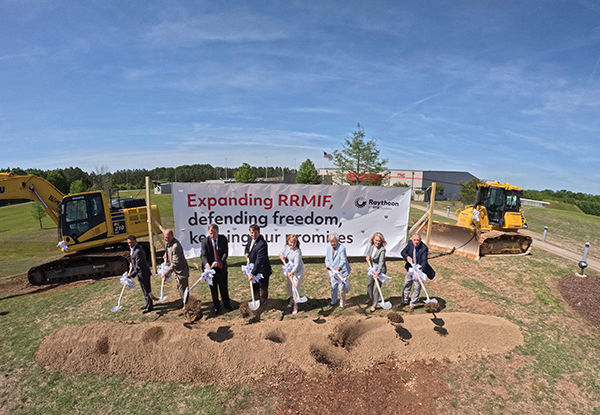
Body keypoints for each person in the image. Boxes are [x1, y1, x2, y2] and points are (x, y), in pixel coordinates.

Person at [201, 223, 232, 314]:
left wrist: (219, 262)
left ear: (217, 232)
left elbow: (225, 253)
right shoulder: (205, 241)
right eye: (210, 233)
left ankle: (226, 303)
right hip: (210, 270)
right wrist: (206, 264)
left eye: (214, 233)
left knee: (224, 286)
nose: (212, 235)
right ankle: (216, 305)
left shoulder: (223, 239)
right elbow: (203, 255)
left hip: (221, 267)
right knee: (213, 288)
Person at [400, 233, 433, 312]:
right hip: (411, 268)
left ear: (420, 240)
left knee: (417, 287)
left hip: (419, 269)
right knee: (407, 284)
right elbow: (403, 252)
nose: (416, 242)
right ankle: (404, 301)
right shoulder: (410, 244)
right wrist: (407, 257)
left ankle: (412, 305)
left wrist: (420, 271)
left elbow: (424, 261)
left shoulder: (424, 248)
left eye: (417, 240)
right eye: (414, 240)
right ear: (412, 240)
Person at [162, 229, 190, 316]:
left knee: (183, 289)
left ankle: (186, 307)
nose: (166, 239)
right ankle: (184, 303)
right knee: (179, 288)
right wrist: (166, 254)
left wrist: (166, 273)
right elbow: (168, 250)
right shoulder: (168, 243)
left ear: (172, 236)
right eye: (165, 237)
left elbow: (175, 263)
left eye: (167, 237)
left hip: (182, 271)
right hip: (176, 271)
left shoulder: (176, 246)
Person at [244, 224, 272, 307]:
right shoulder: (250, 238)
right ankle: (256, 301)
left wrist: (253, 273)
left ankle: (263, 304)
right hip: (253, 267)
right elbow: (247, 247)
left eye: (255, 233)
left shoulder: (262, 244)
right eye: (252, 232)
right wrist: (246, 252)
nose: (253, 235)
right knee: (255, 287)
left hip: (262, 270)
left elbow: (259, 260)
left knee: (263, 288)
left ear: (259, 232)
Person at [279, 234, 305, 315]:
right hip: (289, 269)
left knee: (295, 288)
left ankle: (295, 306)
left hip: (298, 271)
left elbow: (297, 265)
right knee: (290, 286)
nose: (292, 244)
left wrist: (292, 272)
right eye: (291, 242)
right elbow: (281, 252)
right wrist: (281, 255)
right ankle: (291, 300)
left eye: (294, 243)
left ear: (296, 243)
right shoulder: (287, 247)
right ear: (288, 242)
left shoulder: (297, 252)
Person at [127, 234, 153, 314]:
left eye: (131, 242)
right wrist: (131, 263)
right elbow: (132, 258)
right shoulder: (132, 249)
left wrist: (131, 275)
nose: (130, 244)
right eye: (128, 243)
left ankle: (150, 306)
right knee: (143, 289)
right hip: (139, 273)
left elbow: (138, 266)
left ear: (135, 241)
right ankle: (147, 303)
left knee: (147, 289)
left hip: (143, 273)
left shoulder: (138, 251)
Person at [325, 233, 351, 308]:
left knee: (341, 288)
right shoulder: (329, 247)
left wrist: (338, 268)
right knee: (333, 286)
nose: (333, 243)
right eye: (331, 241)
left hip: (341, 271)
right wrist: (328, 265)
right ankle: (333, 301)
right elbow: (327, 258)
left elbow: (343, 260)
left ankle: (342, 304)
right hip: (333, 271)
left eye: (334, 241)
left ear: (337, 241)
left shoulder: (342, 248)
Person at [366, 232, 387, 313]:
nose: (377, 242)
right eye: (376, 240)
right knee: (369, 283)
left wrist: (377, 273)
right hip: (372, 267)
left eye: (379, 241)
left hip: (380, 270)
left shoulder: (382, 249)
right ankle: (370, 297)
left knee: (376, 287)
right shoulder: (371, 246)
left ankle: (374, 305)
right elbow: (369, 253)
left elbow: (381, 262)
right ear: (373, 240)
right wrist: (368, 256)